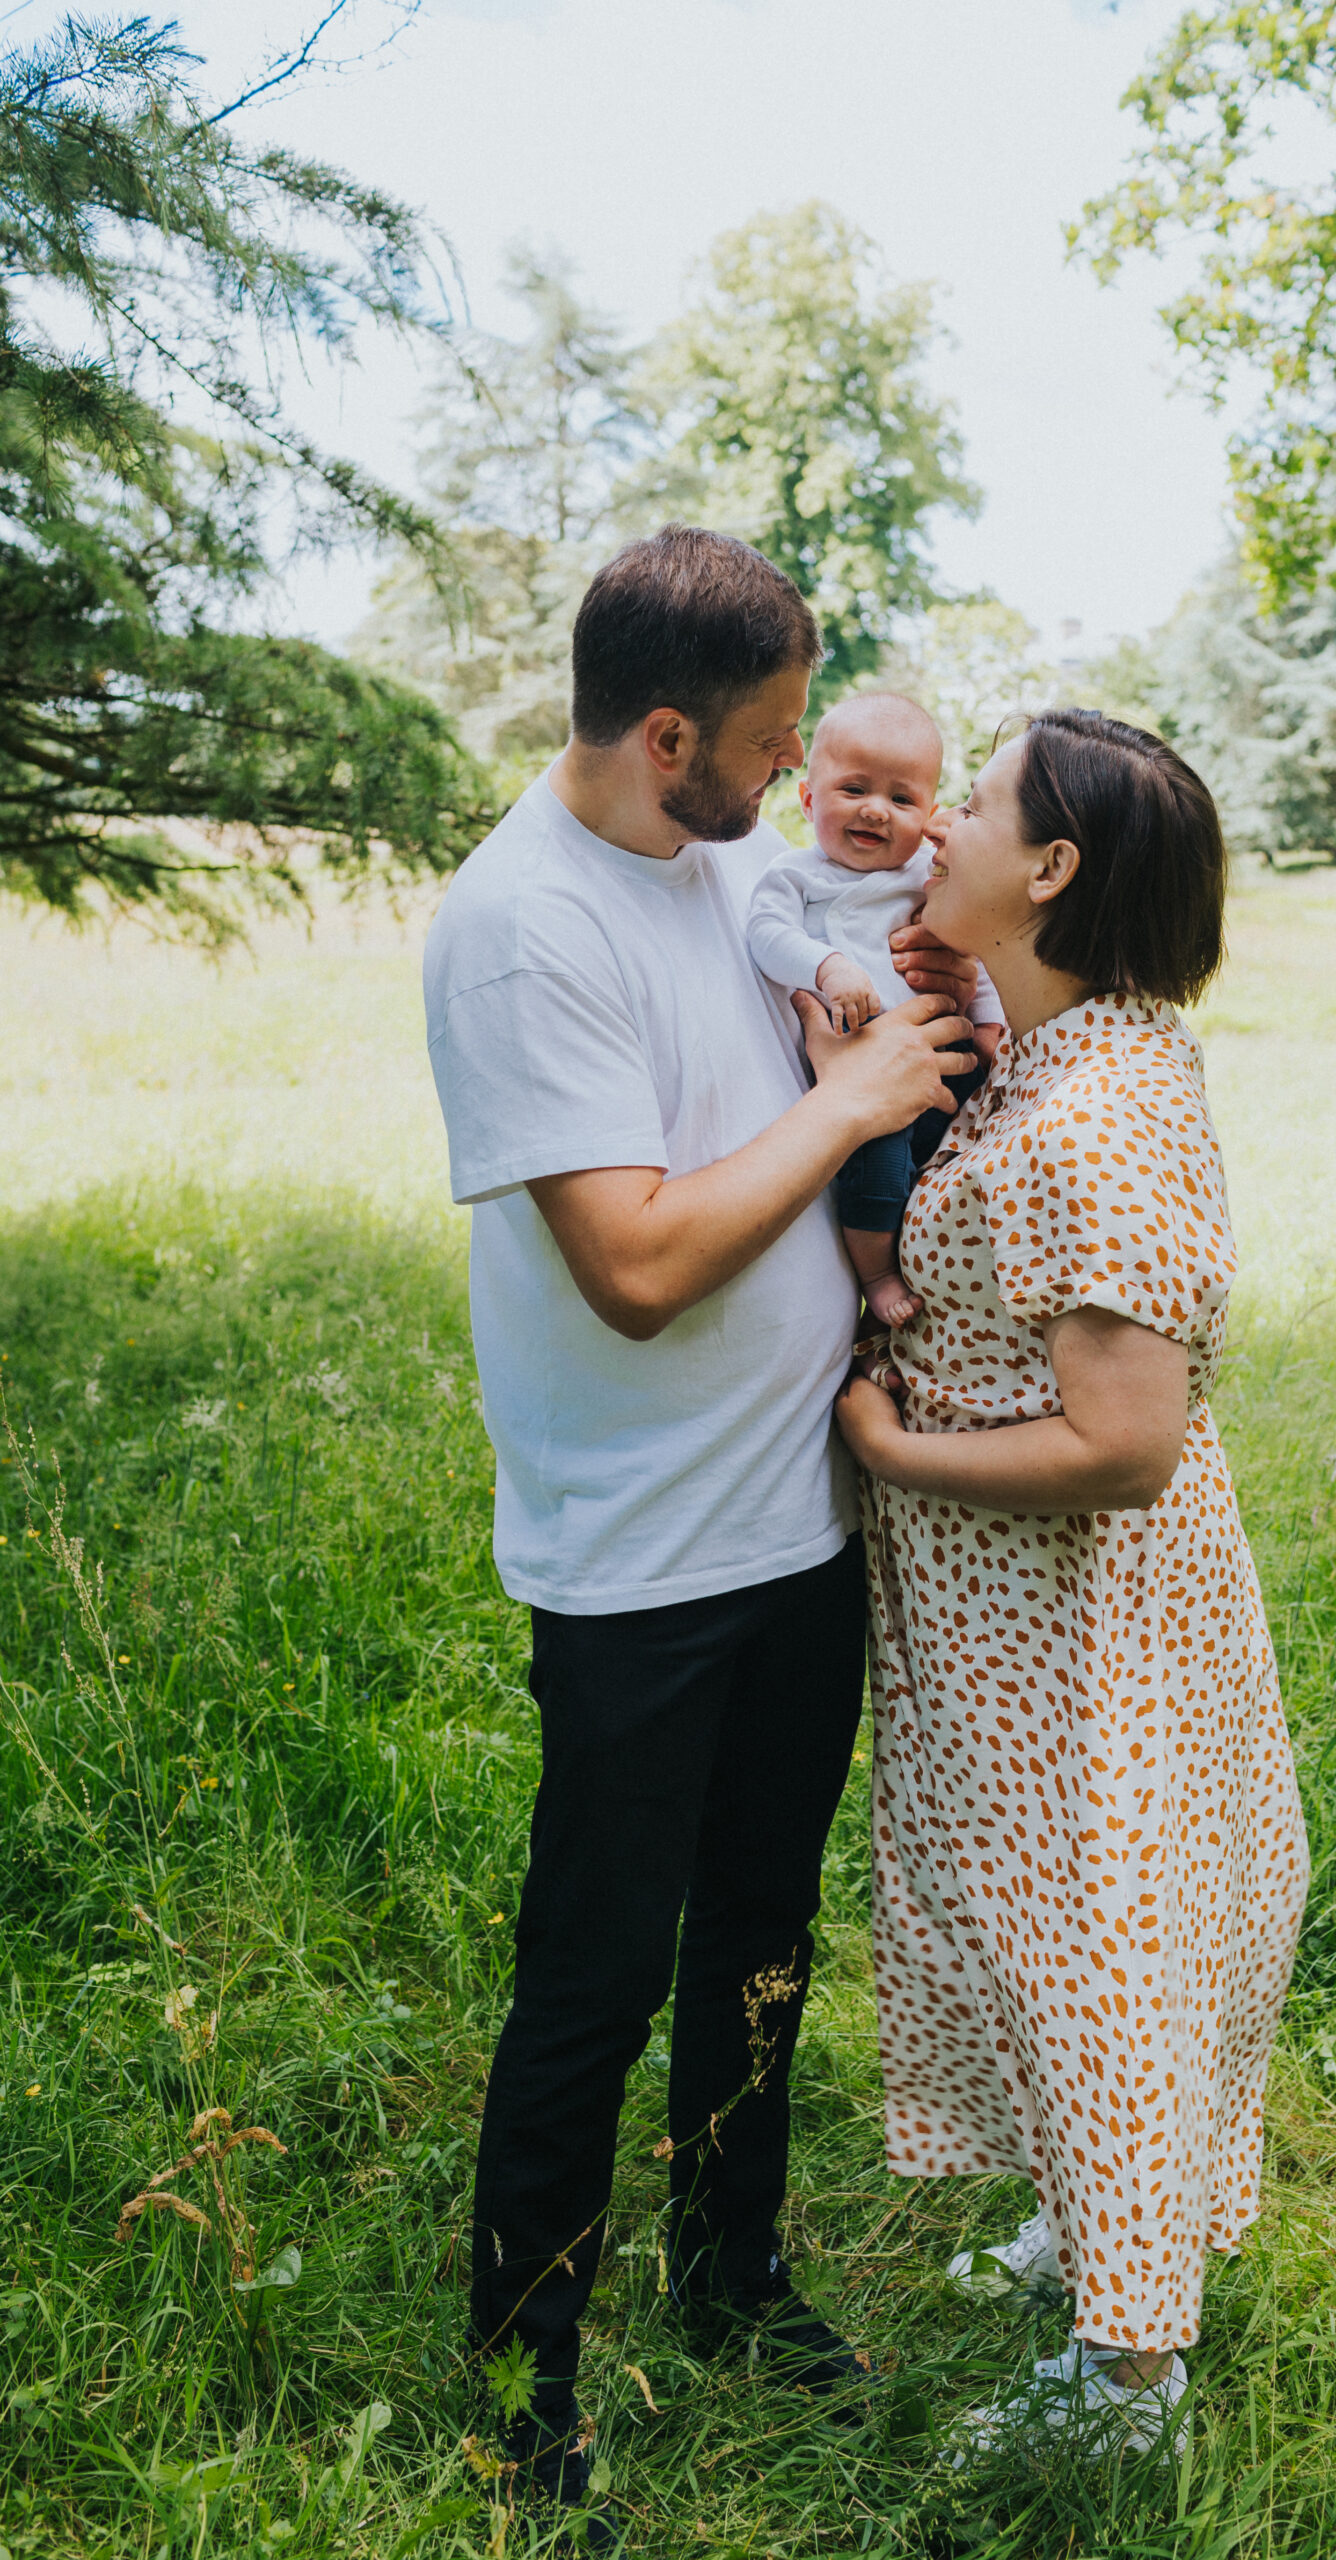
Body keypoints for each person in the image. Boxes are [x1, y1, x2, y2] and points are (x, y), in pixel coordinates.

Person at [422, 525, 974, 2533]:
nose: (794, 763)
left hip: (795, 1519)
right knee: (597, 1966)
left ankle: (729, 2271)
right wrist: (848, 1108)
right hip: (643, 1553)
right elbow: (635, 1262)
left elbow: (823, 957)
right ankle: (521, 2375)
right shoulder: (521, 928)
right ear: (667, 735)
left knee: (761, 1927)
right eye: (764, 736)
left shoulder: (728, 850)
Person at [835, 710, 1311, 2464]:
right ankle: (1098, 2222)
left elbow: (1123, 1440)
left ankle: (1126, 2387)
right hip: (1019, 1623)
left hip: (1082, 1623)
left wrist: (891, 1450)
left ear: (1049, 871)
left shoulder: (1097, 1111)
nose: (936, 818)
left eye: (973, 803)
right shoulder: (1049, 1046)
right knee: (1048, 1937)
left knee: (1095, 1951)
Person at [747, 693, 1004, 1326]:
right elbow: (765, 934)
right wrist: (827, 967)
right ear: (808, 800)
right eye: (853, 789)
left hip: (948, 1059)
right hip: (864, 1070)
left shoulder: (927, 875)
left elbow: (975, 948)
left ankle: (958, 1283)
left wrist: (992, 1025)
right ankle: (878, 1277)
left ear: (930, 814)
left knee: (966, 1168)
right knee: (880, 1175)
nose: (875, 811)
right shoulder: (796, 875)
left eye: (901, 799)